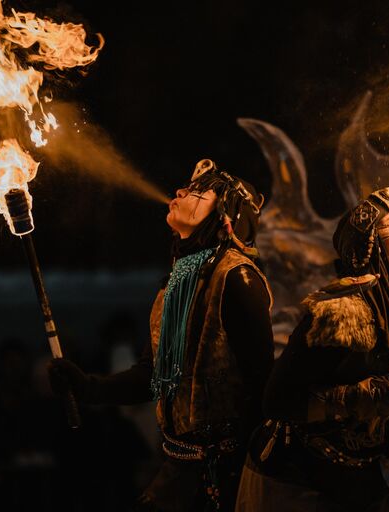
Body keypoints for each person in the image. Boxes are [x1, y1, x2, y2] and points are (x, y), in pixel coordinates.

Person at [48, 159, 275, 511]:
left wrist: (239, 482)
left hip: (226, 478)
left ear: (226, 214)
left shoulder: (237, 280)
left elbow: (263, 391)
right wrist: (87, 386)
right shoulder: (177, 282)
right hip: (178, 470)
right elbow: (150, 376)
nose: (182, 191)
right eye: (188, 186)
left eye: (199, 191)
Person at [236, 187, 389, 512]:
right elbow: (276, 400)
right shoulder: (340, 314)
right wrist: (355, 397)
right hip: (293, 479)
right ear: (369, 246)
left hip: (355, 478)